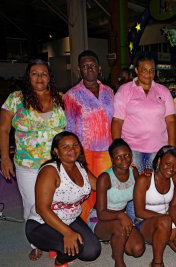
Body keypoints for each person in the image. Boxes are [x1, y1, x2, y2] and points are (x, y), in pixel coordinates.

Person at [0, 59, 66, 260]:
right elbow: (3, 129)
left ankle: (55, 238)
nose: (39, 78)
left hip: (56, 164)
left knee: (57, 203)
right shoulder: (16, 99)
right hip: (28, 165)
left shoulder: (59, 98)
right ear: (28, 77)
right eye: (34, 73)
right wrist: (5, 157)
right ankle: (35, 242)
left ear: (49, 77)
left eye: (44, 73)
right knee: (32, 205)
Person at [25, 132, 101, 267]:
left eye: (75, 145)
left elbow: (100, 185)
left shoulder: (80, 166)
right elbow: (42, 209)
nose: (72, 149)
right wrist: (67, 232)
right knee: (72, 248)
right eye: (65, 147)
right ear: (56, 151)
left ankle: (58, 245)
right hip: (42, 223)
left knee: (92, 252)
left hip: (71, 219)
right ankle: (59, 262)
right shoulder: (50, 171)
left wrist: (120, 171)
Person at [64, 50, 114, 222]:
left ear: (99, 68)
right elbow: (69, 126)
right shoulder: (71, 95)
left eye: (92, 65)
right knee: (84, 190)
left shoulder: (109, 91)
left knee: (105, 190)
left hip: (107, 150)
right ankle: (84, 226)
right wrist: (72, 154)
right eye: (85, 66)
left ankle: (102, 225)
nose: (89, 69)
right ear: (79, 69)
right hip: (84, 150)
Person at [112, 55, 176, 174]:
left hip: (158, 149)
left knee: (154, 186)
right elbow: (117, 121)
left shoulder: (163, 91)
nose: (148, 74)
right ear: (136, 70)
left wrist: (171, 148)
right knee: (135, 186)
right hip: (132, 149)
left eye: (151, 70)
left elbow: (171, 121)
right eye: (144, 70)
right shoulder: (125, 90)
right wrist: (117, 148)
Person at [133, 145, 176, 266]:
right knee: (166, 220)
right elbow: (139, 212)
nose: (171, 169)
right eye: (168, 164)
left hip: (167, 221)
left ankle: (162, 238)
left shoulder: (175, 179)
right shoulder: (145, 179)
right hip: (145, 224)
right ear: (159, 160)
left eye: (175, 166)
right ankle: (157, 262)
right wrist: (172, 221)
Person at [87, 139, 145, 267]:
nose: (124, 160)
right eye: (118, 157)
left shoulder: (133, 172)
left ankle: (116, 241)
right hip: (99, 219)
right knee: (120, 226)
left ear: (131, 154)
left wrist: (146, 175)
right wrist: (121, 215)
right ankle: (119, 262)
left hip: (120, 217)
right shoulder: (105, 178)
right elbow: (101, 213)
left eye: (127, 155)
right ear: (112, 160)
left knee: (137, 250)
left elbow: (142, 192)